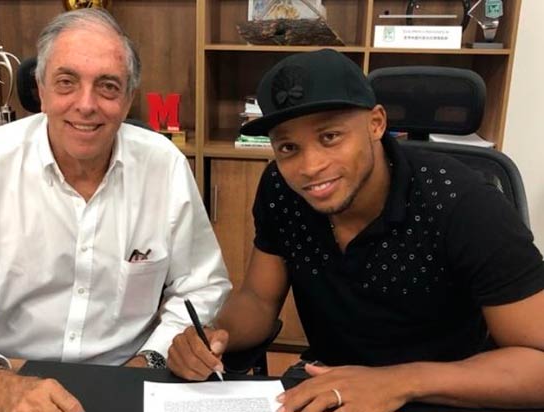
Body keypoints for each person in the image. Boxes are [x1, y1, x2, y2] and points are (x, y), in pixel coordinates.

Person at [167, 49, 544, 411]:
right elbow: (259, 300)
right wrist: (213, 337)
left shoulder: (462, 202)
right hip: (329, 382)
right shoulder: (282, 190)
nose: (310, 166)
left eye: (329, 137)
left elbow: (537, 362)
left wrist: (396, 382)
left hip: (444, 391)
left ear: (376, 123)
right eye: (288, 147)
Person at [0, 8, 230, 412]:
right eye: (66, 82)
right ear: (41, 89)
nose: (86, 105)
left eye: (108, 87)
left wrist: (154, 357)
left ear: (128, 100)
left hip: (126, 375)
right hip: (5, 374)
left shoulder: (164, 166)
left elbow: (202, 286)